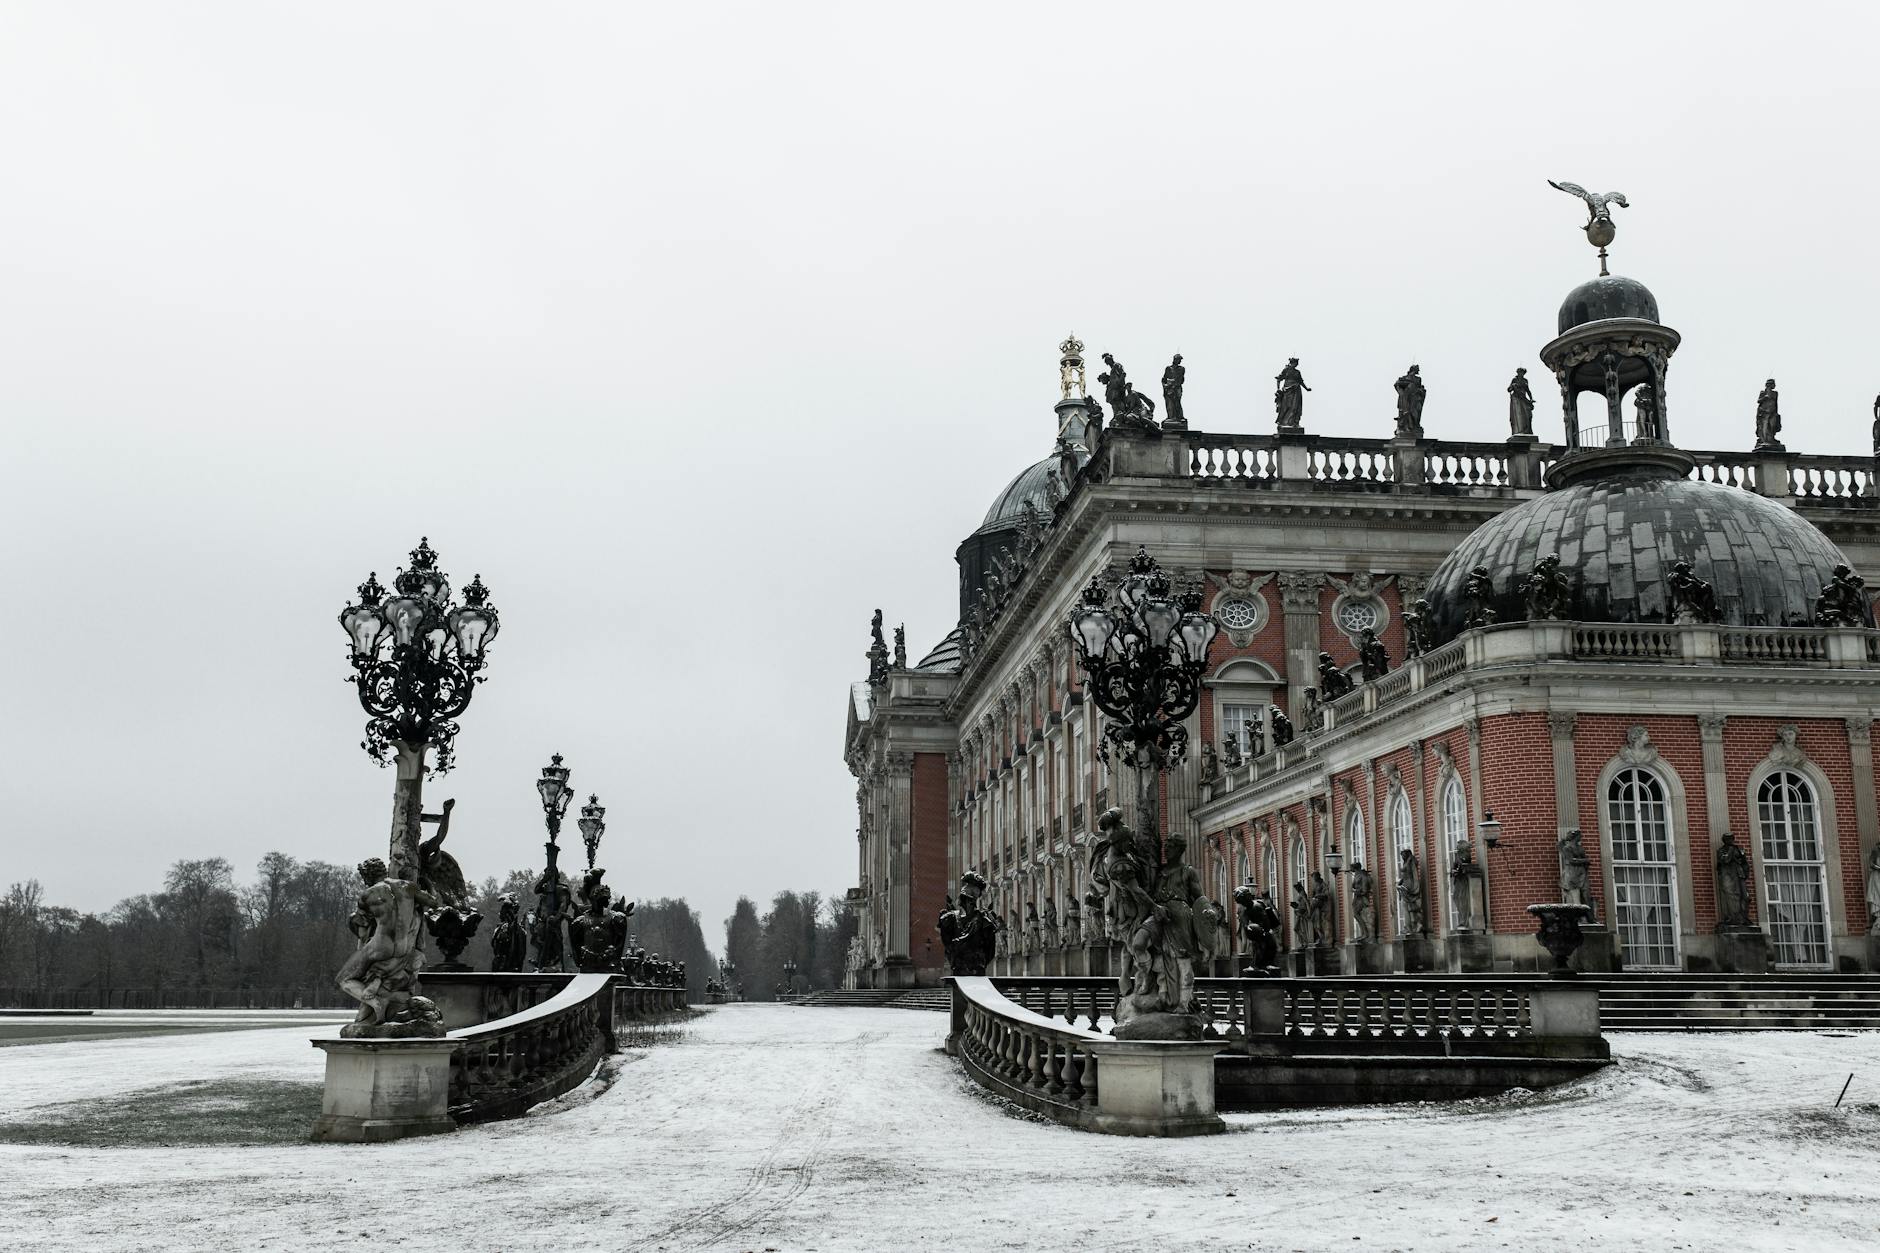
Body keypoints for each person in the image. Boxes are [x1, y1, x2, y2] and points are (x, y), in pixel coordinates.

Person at [1274, 358, 1309, 432]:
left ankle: (1293, 422)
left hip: (1296, 390)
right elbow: (1279, 379)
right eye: (1295, 363)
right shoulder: (1286, 370)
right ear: (1292, 363)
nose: (1296, 364)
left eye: (1297, 363)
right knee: (1286, 406)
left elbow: (1301, 381)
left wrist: (1306, 388)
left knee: (1295, 407)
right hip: (1287, 390)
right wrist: (1278, 389)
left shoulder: (1297, 372)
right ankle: (1284, 422)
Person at [1508, 367, 1534, 436]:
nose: (1521, 374)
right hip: (1516, 399)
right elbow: (1509, 389)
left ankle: (1526, 430)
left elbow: (1528, 390)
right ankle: (1518, 431)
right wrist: (1512, 386)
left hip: (1524, 398)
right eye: (1519, 372)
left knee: (1527, 414)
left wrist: (1531, 398)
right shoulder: (1514, 380)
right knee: (1518, 414)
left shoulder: (1525, 380)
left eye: (1522, 373)